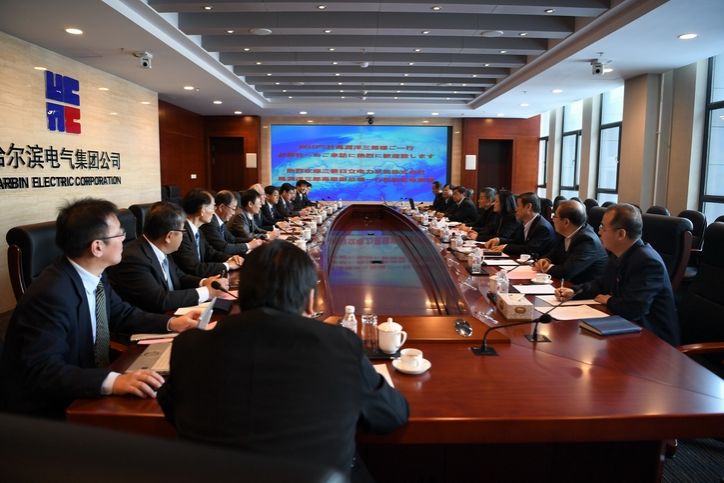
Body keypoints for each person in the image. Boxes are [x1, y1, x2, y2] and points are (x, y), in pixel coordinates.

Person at [158, 241, 409, 479]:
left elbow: (172, 411)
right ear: (310, 302)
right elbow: (390, 415)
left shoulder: (189, 347)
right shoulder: (339, 345)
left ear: (240, 294)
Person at [0, 198, 201, 418]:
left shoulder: (94, 274)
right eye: (119, 233)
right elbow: (44, 370)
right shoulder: (51, 294)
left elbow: (121, 313)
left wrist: (172, 323)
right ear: (97, 247)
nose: (125, 238)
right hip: (50, 410)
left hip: (86, 382)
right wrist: (113, 381)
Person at [555, 203, 680, 346]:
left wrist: (609, 300)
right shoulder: (618, 253)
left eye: (603, 227)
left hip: (654, 342)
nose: (599, 232)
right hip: (626, 328)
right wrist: (574, 291)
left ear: (621, 234)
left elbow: (634, 308)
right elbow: (601, 284)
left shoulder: (648, 262)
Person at [108, 202, 229, 313]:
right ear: (169, 236)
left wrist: (204, 282)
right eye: (182, 231)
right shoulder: (133, 258)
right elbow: (159, 300)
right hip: (151, 321)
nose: (183, 236)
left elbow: (179, 276)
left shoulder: (160, 248)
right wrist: (207, 292)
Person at [173, 189, 244, 278]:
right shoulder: (182, 234)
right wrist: (227, 265)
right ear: (202, 210)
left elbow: (211, 253)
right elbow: (194, 268)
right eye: (212, 207)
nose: (214, 212)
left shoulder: (198, 230)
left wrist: (231, 258)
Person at [533, 200, 608, 284]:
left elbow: (566, 272)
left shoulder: (588, 241)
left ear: (566, 222)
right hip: (565, 284)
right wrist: (545, 260)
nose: (552, 219)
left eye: (555, 216)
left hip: (582, 288)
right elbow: (553, 254)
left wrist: (545, 268)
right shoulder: (564, 233)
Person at [485, 192, 555, 257]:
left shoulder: (543, 227)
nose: (515, 209)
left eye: (518, 206)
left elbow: (530, 249)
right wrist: (499, 240)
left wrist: (505, 247)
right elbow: (517, 241)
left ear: (528, 207)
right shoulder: (524, 222)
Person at [200, 190, 262, 256]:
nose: (233, 213)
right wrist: (248, 245)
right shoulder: (210, 223)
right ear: (221, 207)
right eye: (233, 209)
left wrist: (254, 241)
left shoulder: (220, 221)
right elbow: (223, 248)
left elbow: (233, 239)